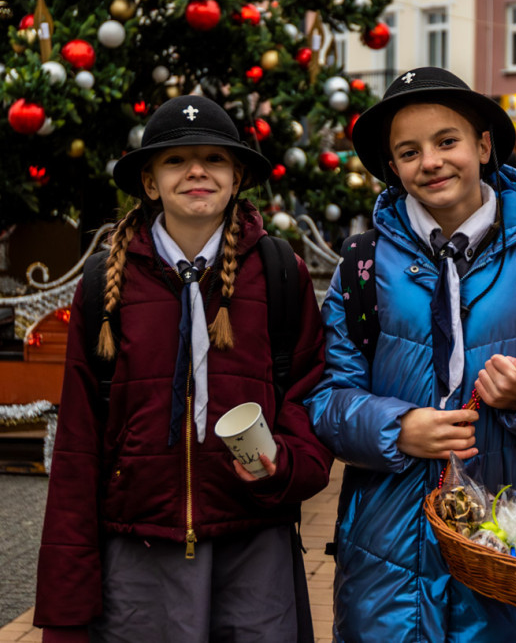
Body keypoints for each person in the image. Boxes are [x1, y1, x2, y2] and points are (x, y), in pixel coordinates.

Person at [306, 67, 516, 642]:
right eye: (409, 150)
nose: (431, 161)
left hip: (510, 542)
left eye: (447, 141)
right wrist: (396, 427)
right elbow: (324, 399)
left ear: (482, 144)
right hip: (386, 552)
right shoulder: (363, 266)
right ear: (392, 167)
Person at [34, 95, 333, 643]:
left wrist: (286, 464)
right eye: (176, 160)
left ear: (237, 176)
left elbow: (311, 395)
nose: (197, 170)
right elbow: (79, 441)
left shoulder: (278, 273)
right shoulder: (105, 284)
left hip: (253, 543)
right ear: (150, 183)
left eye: (214, 159)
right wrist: (67, 600)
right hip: (137, 548)